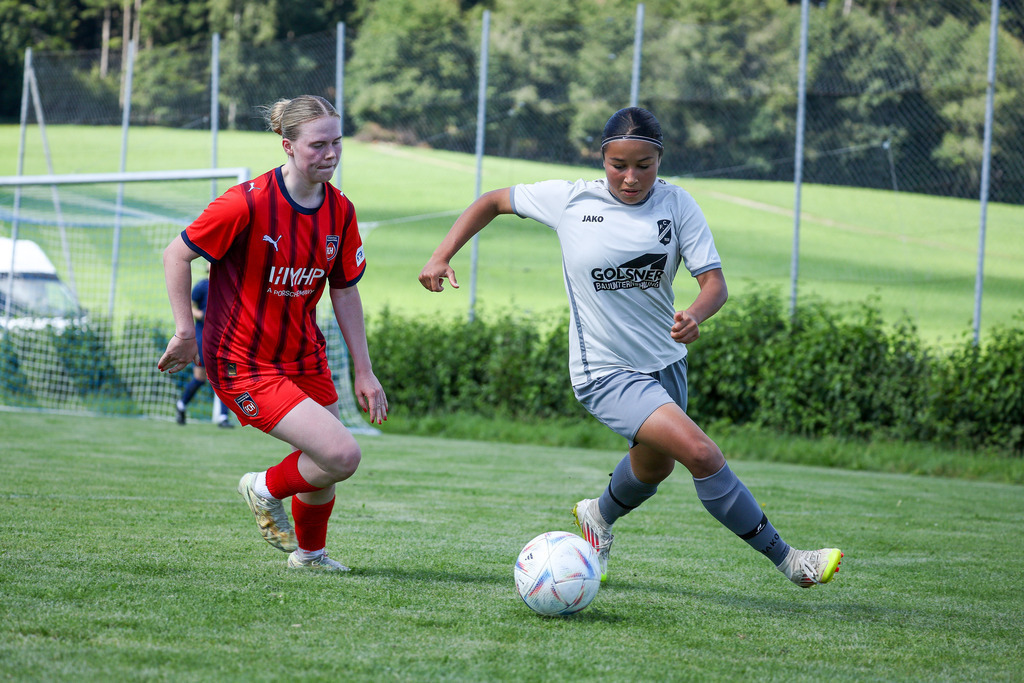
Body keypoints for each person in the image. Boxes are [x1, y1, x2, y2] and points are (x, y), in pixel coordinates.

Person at [419, 107, 842, 588]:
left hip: (666, 364)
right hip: (604, 370)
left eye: (644, 165)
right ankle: (792, 561)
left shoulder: (677, 205)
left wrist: (695, 314)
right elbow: (493, 200)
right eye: (618, 165)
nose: (631, 177)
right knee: (701, 454)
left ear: (660, 159)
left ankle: (597, 515)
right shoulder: (571, 200)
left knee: (654, 468)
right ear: (603, 159)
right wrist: (441, 255)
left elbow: (715, 285)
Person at [158, 95, 388, 572]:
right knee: (342, 453)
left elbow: (345, 290)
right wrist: (184, 332)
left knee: (323, 462)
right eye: (318, 145)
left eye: (337, 142)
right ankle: (261, 488)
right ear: (287, 145)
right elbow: (176, 254)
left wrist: (364, 371)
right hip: (241, 360)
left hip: (304, 354)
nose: (330, 154)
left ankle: (310, 557)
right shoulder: (247, 202)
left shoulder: (341, 211)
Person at [174, 264, 234, 428]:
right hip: (204, 338)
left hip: (226, 340)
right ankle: (181, 404)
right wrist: (203, 315)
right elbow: (189, 306)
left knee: (228, 376)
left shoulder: (228, 286)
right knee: (200, 378)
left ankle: (223, 417)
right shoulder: (202, 286)